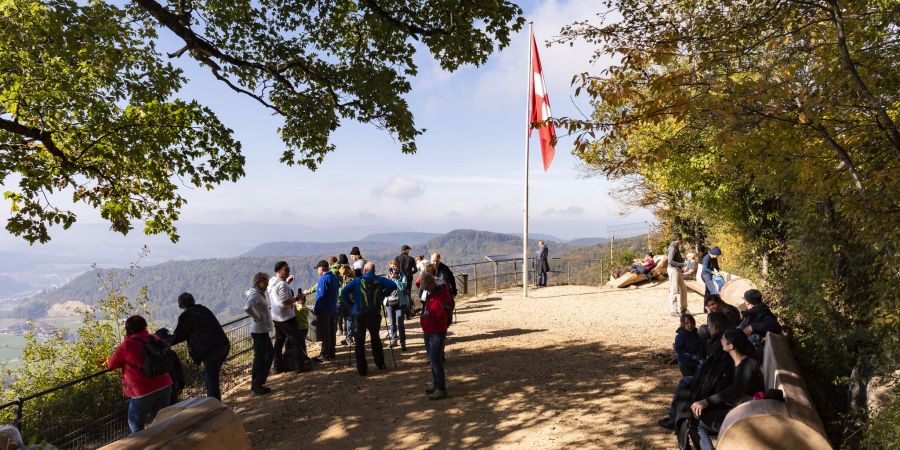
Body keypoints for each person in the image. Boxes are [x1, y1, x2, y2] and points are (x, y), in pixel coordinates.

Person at [688, 330, 765, 450]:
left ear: (731, 345)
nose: (721, 341)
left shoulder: (747, 365)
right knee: (695, 414)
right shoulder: (737, 363)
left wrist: (706, 401)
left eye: (723, 339)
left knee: (696, 423)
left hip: (748, 415)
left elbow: (735, 391)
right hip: (740, 410)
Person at [658, 312, 731, 431]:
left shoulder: (720, 342)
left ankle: (675, 418)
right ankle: (675, 417)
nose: (707, 328)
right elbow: (680, 349)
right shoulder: (722, 338)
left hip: (713, 382)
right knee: (687, 380)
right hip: (698, 369)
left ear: (713, 327)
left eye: (708, 325)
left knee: (685, 383)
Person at [107, 315, 173, 433]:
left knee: (136, 426)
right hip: (165, 384)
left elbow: (111, 364)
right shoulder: (155, 338)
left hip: (142, 390)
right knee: (162, 421)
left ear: (128, 329)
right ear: (144, 326)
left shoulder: (128, 344)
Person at [340, 262, 397, 376]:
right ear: (374, 270)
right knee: (375, 339)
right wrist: (382, 294)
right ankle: (380, 364)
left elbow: (343, 292)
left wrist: (351, 305)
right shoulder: (380, 280)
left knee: (359, 342)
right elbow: (393, 286)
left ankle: (362, 369)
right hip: (374, 314)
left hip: (359, 314)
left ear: (364, 271)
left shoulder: (357, 281)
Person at [170, 293, 230, 401]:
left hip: (210, 349)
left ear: (180, 305)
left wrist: (164, 342)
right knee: (210, 377)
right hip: (223, 344)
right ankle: (214, 402)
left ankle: (214, 406)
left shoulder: (187, 315)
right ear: (193, 300)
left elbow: (179, 335)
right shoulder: (203, 309)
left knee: (211, 380)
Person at [267, 261, 308, 373]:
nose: (288, 271)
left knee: (279, 342)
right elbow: (284, 302)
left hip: (276, 317)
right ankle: (299, 366)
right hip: (287, 318)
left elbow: (277, 296)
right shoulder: (282, 284)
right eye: (286, 269)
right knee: (297, 341)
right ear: (278, 271)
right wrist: (296, 298)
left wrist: (286, 282)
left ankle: (277, 366)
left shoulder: (272, 281)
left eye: (288, 269)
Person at [420, 272, 451, 400]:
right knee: (432, 360)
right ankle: (435, 383)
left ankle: (441, 388)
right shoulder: (430, 292)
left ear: (432, 284)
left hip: (437, 330)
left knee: (435, 360)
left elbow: (443, 313)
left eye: (426, 286)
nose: (425, 289)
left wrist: (430, 315)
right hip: (428, 329)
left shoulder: (442, 294)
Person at [243, 272, 274, 395]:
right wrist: (257, 317)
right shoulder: (256, 295)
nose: (266, 284)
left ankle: (259, 383)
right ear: (258, 282)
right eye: (264, 282)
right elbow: (247, 307)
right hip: (259, 331)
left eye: (267, 282)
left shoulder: (258, 293)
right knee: (261, 357)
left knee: (267, 355)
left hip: (261, 330)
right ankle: (256, 384)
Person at [313, 259, 341, 360]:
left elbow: (320, 297)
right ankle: (332, 352)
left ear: (321, 268)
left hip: (325, 310)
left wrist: (316, 311)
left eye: (318, 269)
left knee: (325, 334)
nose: (317, 271)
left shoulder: (323, 279)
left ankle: (324, 354)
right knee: (332, 332)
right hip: (333, 308)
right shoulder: (334, 277)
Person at [385, 260, 410, 350]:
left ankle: (403, 342)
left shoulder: (403, 276)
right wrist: (390, 279)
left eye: (395, 266)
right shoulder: (387, 276)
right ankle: (394, 340)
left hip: (400, 303)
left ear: (398, 267)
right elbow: (384, 288)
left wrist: (395, 279)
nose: (394, 268)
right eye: (392, 266)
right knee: (392, 324)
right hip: (389, 302)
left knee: (400, 323)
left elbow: (403, 287)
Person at [667, 234, 689, 316]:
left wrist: (683, 262)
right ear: (678, 239)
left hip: (678, 270)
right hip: (673, 270)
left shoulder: (676, 246)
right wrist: (682, 264)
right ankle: (673, 310)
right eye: (681, 239)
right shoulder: (672, 247)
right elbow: (670, 261)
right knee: (674, 290)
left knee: (683, 289)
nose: (682, 241)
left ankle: (684, 309)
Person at [338, 262, 356, 346]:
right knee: (350, 320)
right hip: (351, 300)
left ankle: (349, 338)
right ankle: (350, 337)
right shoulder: (353, 277)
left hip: (346, 300)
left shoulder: (346, 278)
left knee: (349, 320)